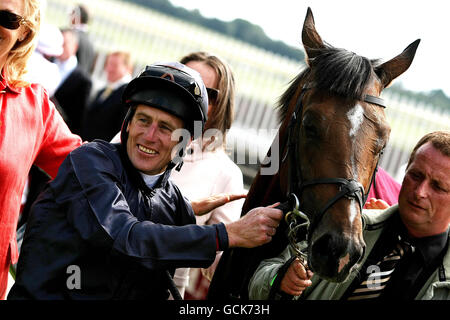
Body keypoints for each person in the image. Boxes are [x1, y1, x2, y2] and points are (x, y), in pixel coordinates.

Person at [8, 62, 283, 300]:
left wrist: (279, 275)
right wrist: (228, 234)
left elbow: (173, 280)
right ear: (127, 124)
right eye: (143, 120)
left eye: (165, 127)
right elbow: (125, 235)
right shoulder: (90, 161)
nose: (149, 135)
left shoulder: (173, 202)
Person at [249, 130, 450, 300]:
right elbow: (258, 281)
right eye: (415, 175)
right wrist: (280, 279)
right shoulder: (345, 225)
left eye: (438, 186)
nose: (420, 192)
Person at [0, 0, 82, 299]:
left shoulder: (33, 105)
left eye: (7, 18)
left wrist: (161, 203)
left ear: (24, 31)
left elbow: (86, 169)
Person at [170, 52, 245, 299]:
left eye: (205, 91)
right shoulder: (132, 134)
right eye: (180, 82)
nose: (189, 95)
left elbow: (218, 263)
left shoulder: (226, 174)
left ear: (221, 105)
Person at [81, 51, 133, 142]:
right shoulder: (105, 90)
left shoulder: (128, 94)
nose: (109, 69)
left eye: (114, 65)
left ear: (128, 68)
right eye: (108, 64)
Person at [52, 28, 92, 135]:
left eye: (64, 43)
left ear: (75, 47)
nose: (60, 46)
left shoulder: (83, 80)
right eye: (58, 42)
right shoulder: (47, 61)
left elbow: (78, 120)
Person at [69, 3, 95, 74]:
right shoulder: (91, 40)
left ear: (77, 17)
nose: (70, 16)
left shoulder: (72, 36)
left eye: (72, 14)